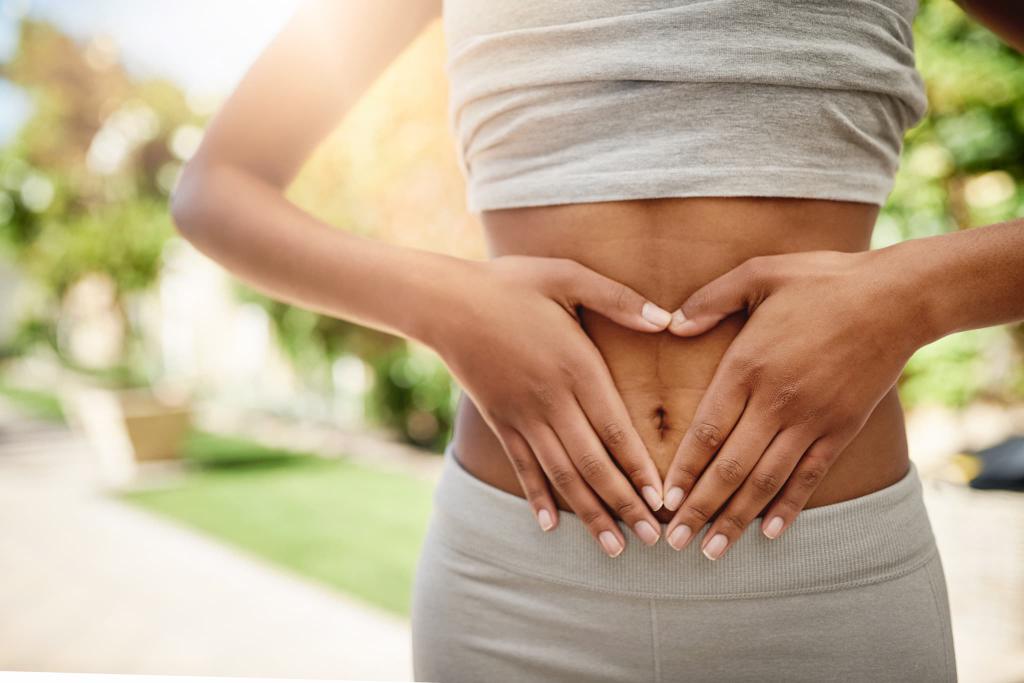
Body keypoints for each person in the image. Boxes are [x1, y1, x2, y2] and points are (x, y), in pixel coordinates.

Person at [170, 1, 1023, 680]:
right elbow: (217, 188)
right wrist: (448, 303)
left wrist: (921, 294)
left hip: (830, 587)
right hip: (514, 585)